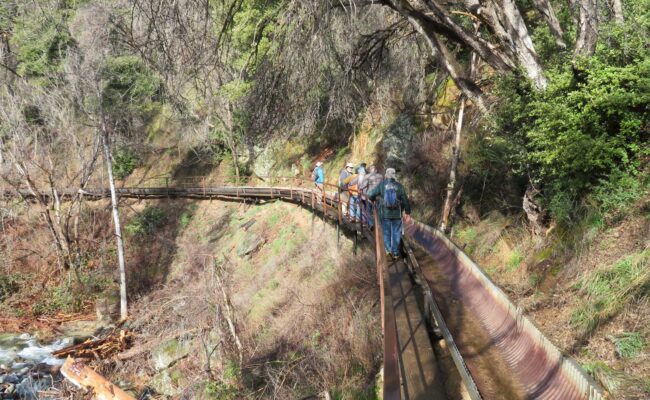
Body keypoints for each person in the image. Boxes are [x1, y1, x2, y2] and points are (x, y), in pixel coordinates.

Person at [368, 168, 411, 258]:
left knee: (386, 232)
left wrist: (372, 199)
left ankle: (388, 250)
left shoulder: (382, 185)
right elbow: (405, 200)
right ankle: (395, 252)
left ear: (386, 175)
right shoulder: (399, 186)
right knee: (396, 232)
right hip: (397, 214)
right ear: (394, 175)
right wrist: (407, 212)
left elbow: (371, 194)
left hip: (385, 213)